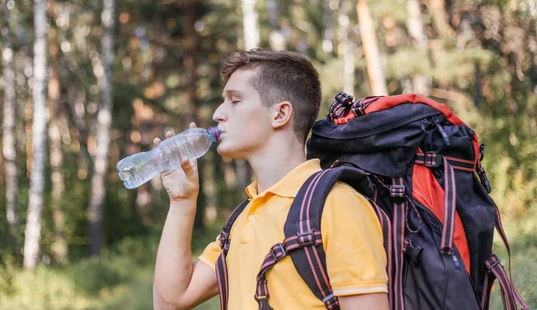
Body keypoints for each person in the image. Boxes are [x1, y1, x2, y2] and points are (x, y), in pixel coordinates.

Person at [152, 49, 388, 310]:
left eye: (235, 100)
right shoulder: (243, 219)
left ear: (280, 114)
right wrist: (182, 200)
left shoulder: (338, 206)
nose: (218, 113)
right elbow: (171, 301)